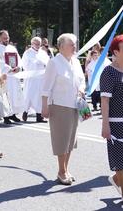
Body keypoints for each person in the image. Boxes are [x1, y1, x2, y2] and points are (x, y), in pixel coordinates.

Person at [42, 33, 85, 185]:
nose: (75, 47)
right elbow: (46, 87)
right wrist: (44, 107)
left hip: (74, 104)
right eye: (71, 44)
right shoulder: (54, 63)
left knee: (71, 140)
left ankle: (66, 169)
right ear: (61, 47)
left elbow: (81, 80)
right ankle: (61, 171)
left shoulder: (75, 61)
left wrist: (81, 89)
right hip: (59, 105)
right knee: (62, 140)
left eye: (75, 44)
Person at [100, 35, 123, 201]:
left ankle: (116, 181)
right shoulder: (109, 72)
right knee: (120, 162)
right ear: (116, 51)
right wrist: (105, 125)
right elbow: (105, 101)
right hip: (116, 124)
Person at [0, 30, 24, 124]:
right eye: (4, 38)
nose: (6, 39)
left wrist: (19, 67)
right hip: (6, 76)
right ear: (0, 38)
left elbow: (18, 59)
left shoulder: (12, 48)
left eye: (7, 37)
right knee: (6, 96)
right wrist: (9, 69)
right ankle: (6, 116)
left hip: (14, 77)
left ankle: (13, 114)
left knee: (14, 95)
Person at [22, 37, 50, 122]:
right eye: (36, 44)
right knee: (29, 95)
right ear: (32, 43)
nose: (38, 46)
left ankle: (39, 115)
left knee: (40, 97)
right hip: (31, 78)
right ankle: (25, 111)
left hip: (41, 78)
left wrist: (44, 64)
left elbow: (48, 63)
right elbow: (24, 65)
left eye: (39, 44)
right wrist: (34, 64)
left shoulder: (43, 53)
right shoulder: (27, 53)